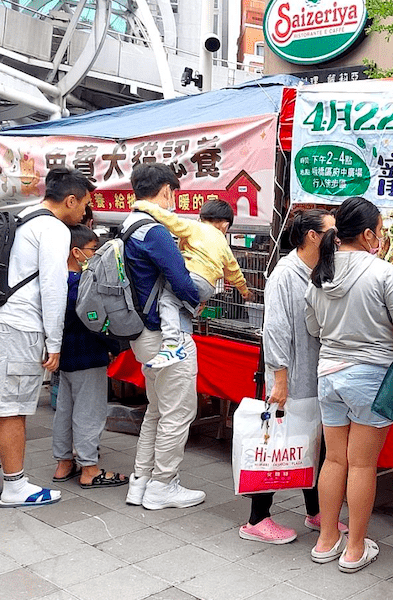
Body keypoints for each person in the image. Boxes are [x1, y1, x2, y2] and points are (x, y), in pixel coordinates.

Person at [305, 196, 393, 572]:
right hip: (370, 377)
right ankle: (354, 548)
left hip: (329, 375)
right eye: (381, 231)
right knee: (362, 465)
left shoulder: (320, 271)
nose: (381, 238)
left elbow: (312, 327)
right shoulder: (383, 272)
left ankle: (326, 541)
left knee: (334, 459)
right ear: (369, 234)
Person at [239, 208, 349, 543]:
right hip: (292, 376)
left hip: (315, 375)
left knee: (311, 445)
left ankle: (316, 512)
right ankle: (257, 519)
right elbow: (274, 330)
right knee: (279, 445)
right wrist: (280, 380)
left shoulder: (319, 270)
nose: (337, 237)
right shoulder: (286, 274)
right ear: (312, 236)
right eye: (331, 231)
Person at [0, 167, 93, 508]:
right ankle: (14, 485)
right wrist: (54, 344)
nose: (84, 212)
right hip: (21, 327)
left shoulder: (25, 216)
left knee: (5, 404)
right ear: (70, 200)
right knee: (13, 408)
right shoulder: (53, 228)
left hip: (6, 319)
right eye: (83, 204)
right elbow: (53, 289)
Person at [122, 163, 203, 511]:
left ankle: (140, 482)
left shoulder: (126, 226)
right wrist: (199, 297)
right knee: (177, 413)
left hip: (141, 334)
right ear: (167, 191)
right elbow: (183, 282)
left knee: (157, 410)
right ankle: (163, 485)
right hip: (166, 336)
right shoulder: (154, 231)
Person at [133, 198, 251, 369]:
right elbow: (234, 271)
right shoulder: (223, 243)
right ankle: (189, 316)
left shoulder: (195, 227)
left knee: (167, 300)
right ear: (225, 225)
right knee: (182, 304)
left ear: (201, 217)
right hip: (208, 287)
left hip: (191, 278)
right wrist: (244, 290)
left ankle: (171, 344)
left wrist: (145, 206)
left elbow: (171, 220)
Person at [51, 225, 127, 489]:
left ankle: (63, 464)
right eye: (93, 249)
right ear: (76, 252)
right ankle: (89, 468)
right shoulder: (82, 284)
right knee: (89, 412)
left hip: (64, 356)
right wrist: (116, 344)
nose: (95, 255)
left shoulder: (57, 281)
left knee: (65, 409)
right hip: (88, 355)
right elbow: (96, 322)